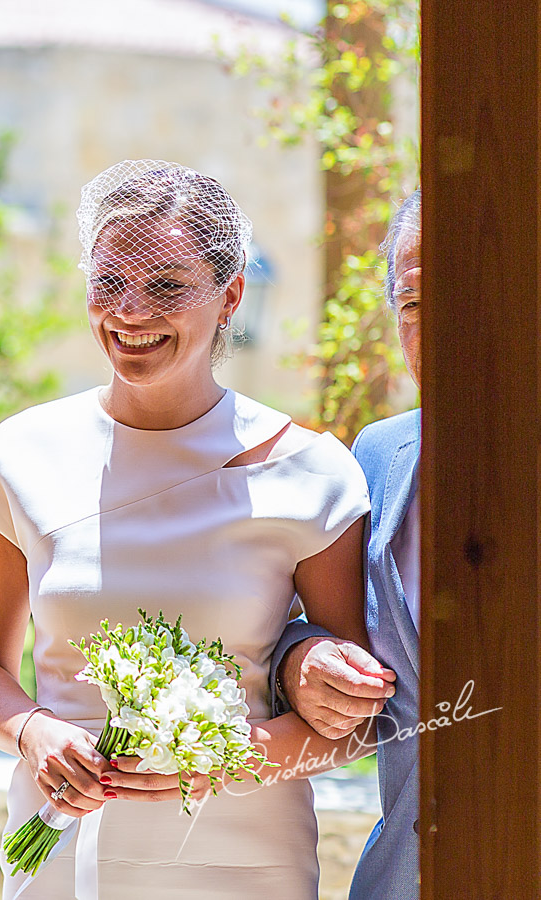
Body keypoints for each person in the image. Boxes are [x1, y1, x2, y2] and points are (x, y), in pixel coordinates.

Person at [0, 160, 379, 899]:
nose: (130, 311)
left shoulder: (311, 472)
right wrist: (34, 733)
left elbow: (356, 720)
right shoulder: (22, 455)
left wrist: (222, 755)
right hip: (64, 855)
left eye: (167, 286)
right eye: (109, 281)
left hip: (247, 863)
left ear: (231, 296)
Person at [270, 190, 422, 900]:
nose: (436, 328)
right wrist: (300, 658)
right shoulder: (380, 456)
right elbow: (343, 635)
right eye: (414, 304)